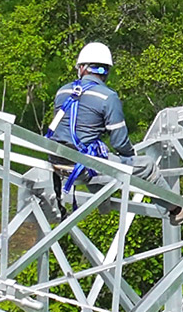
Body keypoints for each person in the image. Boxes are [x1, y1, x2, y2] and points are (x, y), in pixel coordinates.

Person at [47, 41, 130, 202]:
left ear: (82, 68)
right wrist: (130, 159)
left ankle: (104, 206)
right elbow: (120, 143)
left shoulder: (62, 91)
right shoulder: (108, 96)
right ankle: (176, 209)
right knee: (147, 167)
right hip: (81, 165)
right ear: (106, 71)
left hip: (57, 160)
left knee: (96, 154)